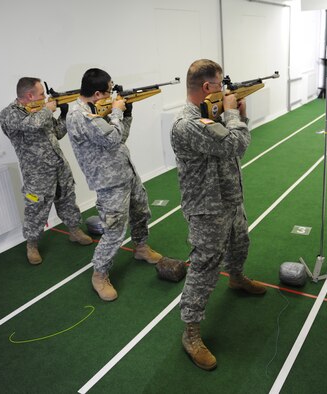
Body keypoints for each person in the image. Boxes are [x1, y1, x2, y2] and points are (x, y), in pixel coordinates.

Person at [170, 59, 267, 371]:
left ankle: (237, 278)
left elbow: (228, 138)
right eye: (221, 85)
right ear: (208, 88)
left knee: (241, 243)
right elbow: (237, 144)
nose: (224, 90)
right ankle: (191, 333)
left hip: (229, 199)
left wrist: (236, 111)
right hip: (207, 208)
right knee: (204, 268)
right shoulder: (188, 125)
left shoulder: (208, 116)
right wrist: (233, 113)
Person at [67, 68, 182, 302]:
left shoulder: (96, 108)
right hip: (108, 181)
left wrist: (126, 114)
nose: (112, 95)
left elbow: (120, 136)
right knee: (114, 231)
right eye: (109, 91)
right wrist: (118, 113)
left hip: (124, 170)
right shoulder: (80, 116)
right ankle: (99, 275)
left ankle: (141, 248)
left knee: (141, 211)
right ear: (98, 93)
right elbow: (110, 138)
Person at [0, 77, 93, 265]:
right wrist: (48, 109)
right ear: (29, 95)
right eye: (41, 93)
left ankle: (74, 231)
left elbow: (56, 132)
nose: (44, 96)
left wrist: (64, 115)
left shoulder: (39, 110)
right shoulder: (9, 114)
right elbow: (31, 124)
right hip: (36, 174)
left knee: (67, 200)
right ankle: (32, 245)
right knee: (36, 209)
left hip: (59, 166)